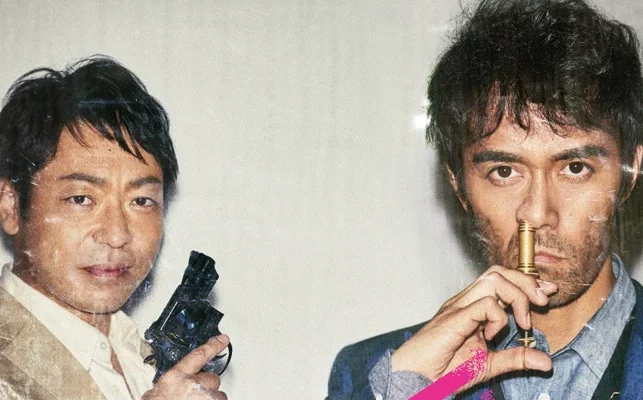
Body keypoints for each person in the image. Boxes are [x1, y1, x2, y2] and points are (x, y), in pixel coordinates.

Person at [327, 0, 643, 399]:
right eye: (504, 172)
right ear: (458, 185)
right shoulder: (382, 377)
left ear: (630, 172)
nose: (537, 213)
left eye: (575, 168)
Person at [0, 57, 229, 400]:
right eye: (81, 199)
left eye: (141, 201)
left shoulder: (138, 352)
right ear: (11, 206)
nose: (117, 235)